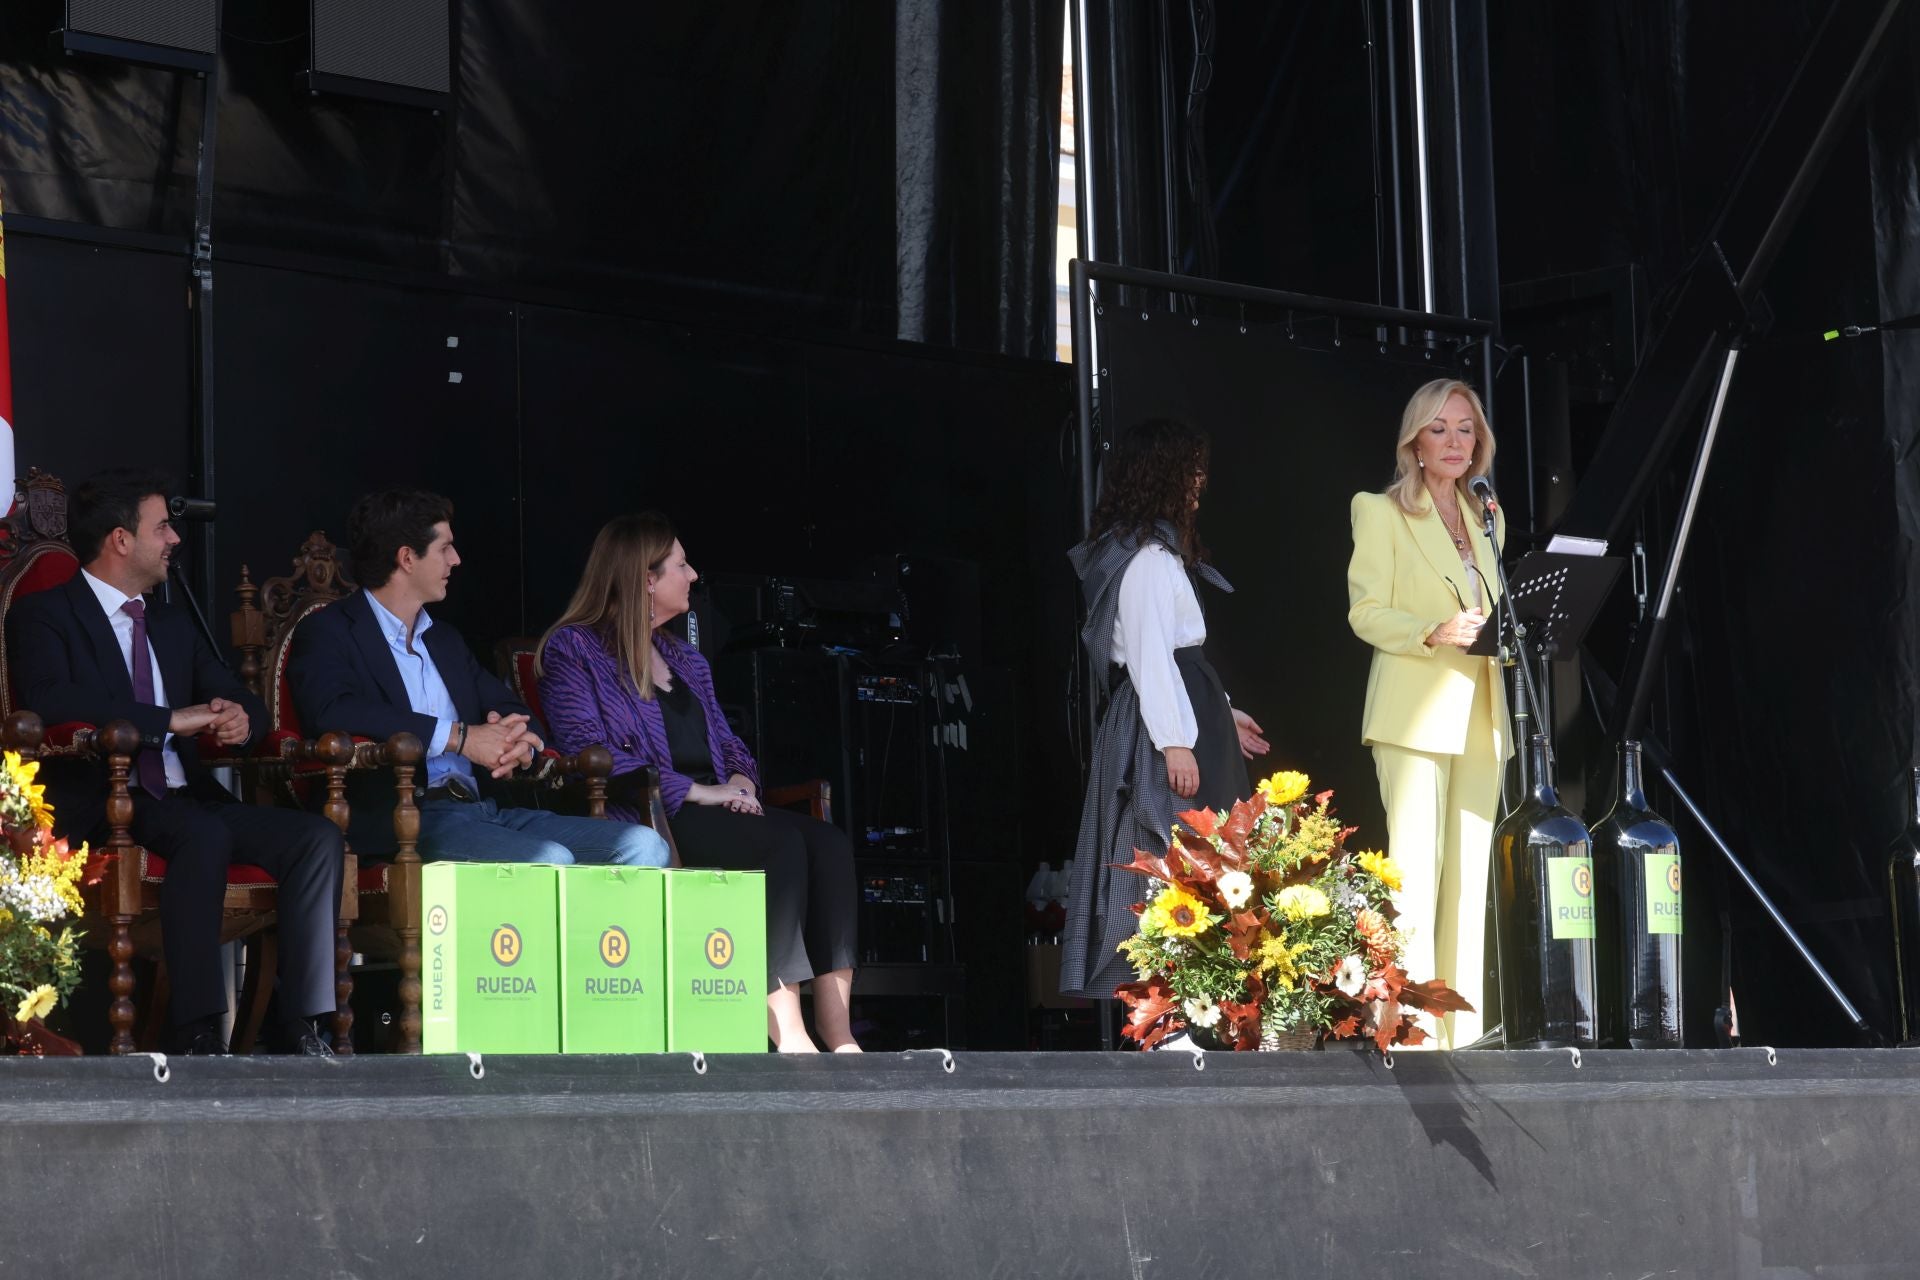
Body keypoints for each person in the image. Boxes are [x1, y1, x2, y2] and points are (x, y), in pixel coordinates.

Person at [9, 470, 344, 1055]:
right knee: (203, 835)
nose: (175, 539)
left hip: (186, 798)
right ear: (121, 540)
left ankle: (303, 1025)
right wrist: (168, 721)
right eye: (162, 526)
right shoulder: (45, 614)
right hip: (107, 801)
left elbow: (231, 695)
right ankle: (196, 1032)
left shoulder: (168, 622)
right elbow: (51, 701)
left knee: (314, 837)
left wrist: (240, 719)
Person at [535, 513, 860, 1053]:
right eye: (681, 565)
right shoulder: (575, 649)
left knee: (829, 843)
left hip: (718, 808)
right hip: (650, 813)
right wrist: (696, 791)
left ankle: (840, 1034)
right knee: (779, 848)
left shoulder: (686, 658)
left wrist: (738, 780)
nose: (693, 574)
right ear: (645, 579)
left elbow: (731, 743)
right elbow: (586, 750)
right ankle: (789, 1034)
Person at [288, 489, 669, 870]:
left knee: (643, 845)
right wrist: (461, 738)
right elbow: (332, 710)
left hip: (486, 811)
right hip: (409, 822)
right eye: (445, 548)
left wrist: (521, 742)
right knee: (548, 860)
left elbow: (510, 708)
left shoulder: (445, 640)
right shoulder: (329, 631)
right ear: (406, 558)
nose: (456, 559)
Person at [1059, 419, 1269, 1001]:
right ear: (1160, 474)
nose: (1200, 481)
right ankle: (1174, 1002)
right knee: (1170, 846)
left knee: (1210, 853)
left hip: (1189, 710)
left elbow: (1179, 659)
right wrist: (1176, 740)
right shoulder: (1147, 557)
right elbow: (1152, 656)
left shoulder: (1160, 551)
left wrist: (1222, 712)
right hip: (1166, 725)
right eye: (1190, 469)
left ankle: (1209, 997)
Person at [1347, 378, 1511, 1049]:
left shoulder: (1486, 518)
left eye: (1466, 429)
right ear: (1414, 441)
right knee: (1417, 869)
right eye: (1439, 429)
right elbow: (1364, 611)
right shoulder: (1380, 510)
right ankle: (1412, 1025)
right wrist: (1433, 630)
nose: (1453, 442)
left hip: (1483, 706)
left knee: (1471, 873)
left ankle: (1460, 1036)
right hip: (1415, 709)